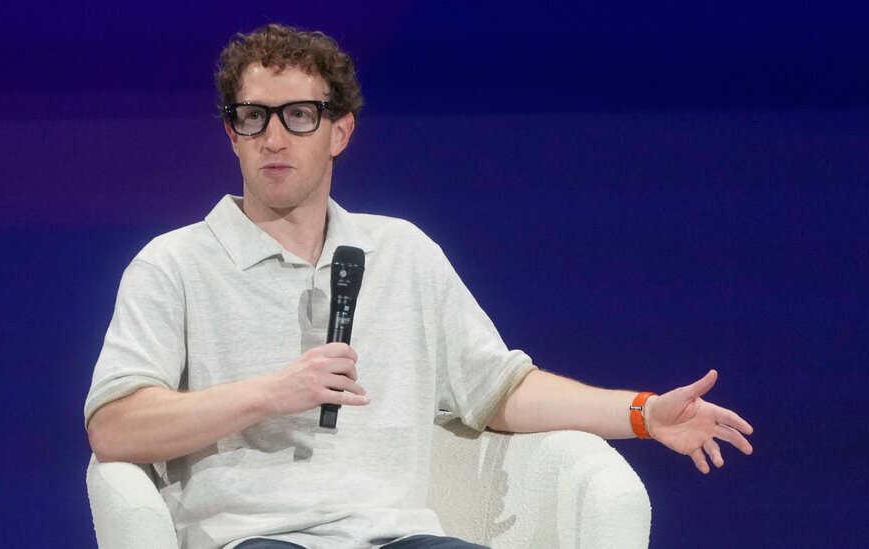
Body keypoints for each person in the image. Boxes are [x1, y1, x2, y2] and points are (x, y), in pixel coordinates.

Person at [85, 24, 754, 549]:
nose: (273, 138)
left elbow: (500, 390)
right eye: (253, 117)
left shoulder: (401, 251)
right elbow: (113, 427)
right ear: (233, 133)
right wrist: (267, 393)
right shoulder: (173, 264)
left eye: (299, 116)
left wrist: (642, 413)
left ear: (340, 131)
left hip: (397, 536)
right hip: (255, 538)